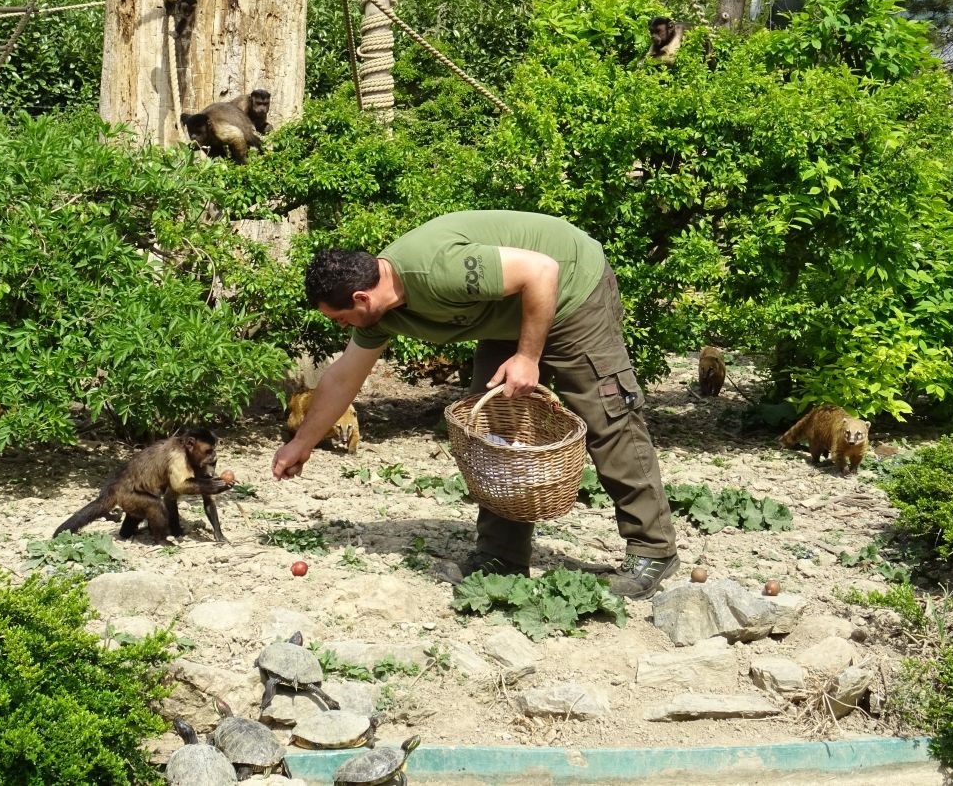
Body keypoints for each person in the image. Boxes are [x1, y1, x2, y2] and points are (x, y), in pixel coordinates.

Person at [271, 210, 679, 600]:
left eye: (339, 318)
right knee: (497, 433)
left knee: (607, 418)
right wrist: (302, 443)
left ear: (362, 297)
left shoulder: (435, 269)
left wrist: (527, 358)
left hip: (572, 289)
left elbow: (542, 270)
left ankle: (652, 550)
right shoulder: (378, 314)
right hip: (508, 310)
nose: (340, 326)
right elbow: (344, 376)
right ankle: (502, 556)